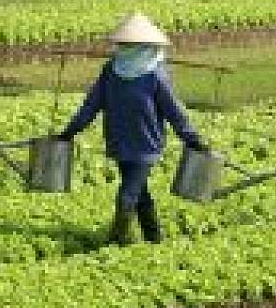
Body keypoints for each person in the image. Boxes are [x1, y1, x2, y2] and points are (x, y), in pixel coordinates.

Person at [57, 12, 206, 246]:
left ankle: (118, 241)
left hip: (145, 144)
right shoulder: (111, 70)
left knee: (127, 195)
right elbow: (92, 104)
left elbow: (173, 110)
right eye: (123, 44)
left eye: (129, 44)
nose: (124, 48)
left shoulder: (155, 74)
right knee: (139, 194)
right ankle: (154, 238)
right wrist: (70, 131)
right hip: (119, 142)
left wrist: (192, 139)